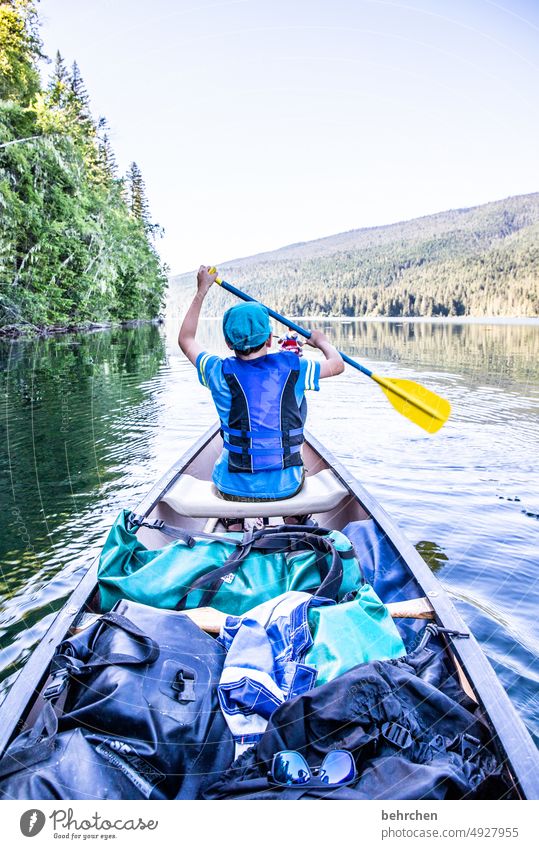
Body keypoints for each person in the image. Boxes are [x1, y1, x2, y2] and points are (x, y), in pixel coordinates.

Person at [178, 266, 344, 523]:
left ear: (228, 343)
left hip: (232, 490)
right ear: (269, 339)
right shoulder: (296, 368)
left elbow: (186, 339)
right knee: (298, 411)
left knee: (228, 477)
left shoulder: (216, 371)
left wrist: (202, 290)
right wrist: (320, 341)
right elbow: (337, 364)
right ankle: (294, 523)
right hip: (286, 488)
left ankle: (233, 526)